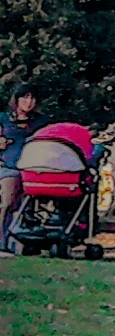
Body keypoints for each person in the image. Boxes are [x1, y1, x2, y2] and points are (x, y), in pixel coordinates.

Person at [1, 84, 37, 246]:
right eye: (25, 97)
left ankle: (26, 241)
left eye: (32, 98)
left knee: (28, 206)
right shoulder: (3, 119)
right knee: (8, 202)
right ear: (16, 99)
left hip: (34, 168)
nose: (29, 102)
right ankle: (2, 240)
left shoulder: (41, 121)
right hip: (10, 166)